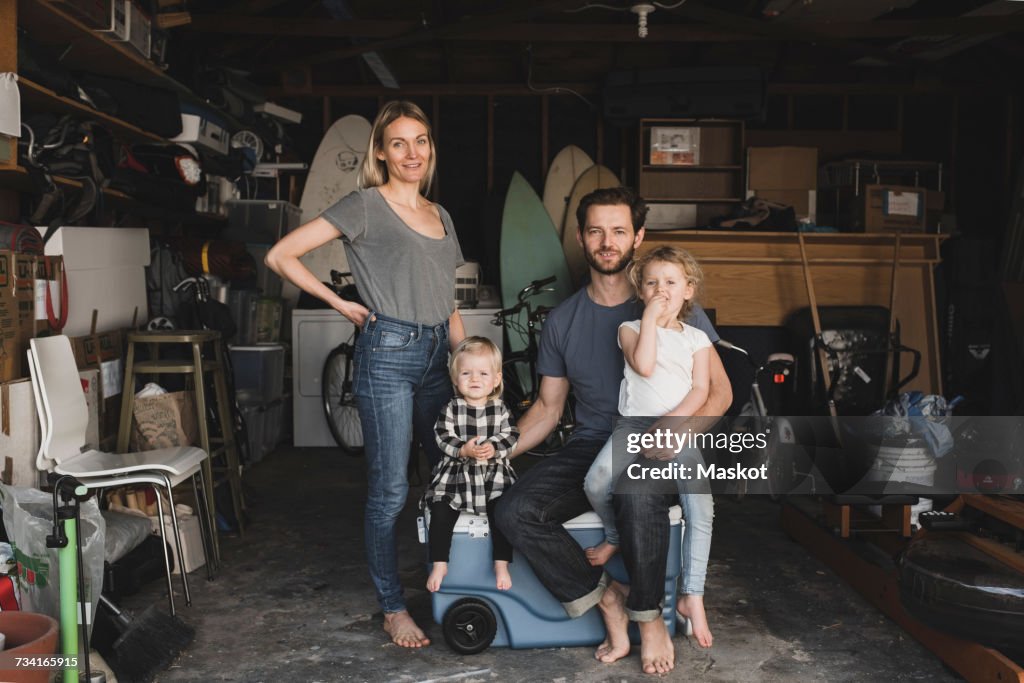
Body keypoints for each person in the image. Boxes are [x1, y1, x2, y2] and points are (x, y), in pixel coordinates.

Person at [494, 187, 732, 675]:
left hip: (660, 440)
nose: (608, 241)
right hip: (591, 446)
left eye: (619, 230)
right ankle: (607, 600)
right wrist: (496, 451)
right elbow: (547, 407)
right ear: (581, 238)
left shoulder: (675, 307)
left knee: (637, 492)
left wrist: (678, 433)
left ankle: (650, 621)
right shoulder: (562, 321)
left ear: (637, 237)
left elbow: (719, 395)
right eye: (597, 230)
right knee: (513, 510)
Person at [265, 100, 465, 649]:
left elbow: (447, 302)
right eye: (398, 143)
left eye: (421, 141)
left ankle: (448, 584)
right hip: (388, 355)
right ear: (380, 150)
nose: (412, 153)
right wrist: (340, 303)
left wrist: (468, 359)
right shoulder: (364, 206)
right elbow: (281, 255)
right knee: (391, 490)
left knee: (449, 477)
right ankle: (392, 606)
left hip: (438, 361)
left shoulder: (441, 215)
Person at [582, 245, 716, 648]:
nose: (661, 290)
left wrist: (673, 428)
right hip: (632, 426)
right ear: (640, 292)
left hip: (678, 428)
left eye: (671, 283)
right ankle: (615, 534)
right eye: (652, 283)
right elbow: (643, 366)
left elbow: (701, 389)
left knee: (701, 508)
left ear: (688, 290)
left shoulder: (697, 339)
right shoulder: (630, 330)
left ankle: (694, 595)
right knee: (597, 480)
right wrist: (649, 320)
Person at [423, 337, 519, 593]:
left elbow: (512, 435)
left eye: (483, 373)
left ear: (496, 379)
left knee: (503, 514)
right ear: (455, 379)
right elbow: (441, 435)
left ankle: (501, 563)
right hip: (456, 476)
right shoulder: (452, 408)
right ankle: (440, 562)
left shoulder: (500, 409)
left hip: (493, 477)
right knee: (441, 512)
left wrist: (494, 447)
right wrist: (462, 449)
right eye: (466, 373)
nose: (474, 379)